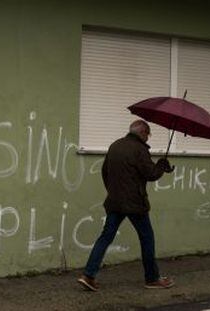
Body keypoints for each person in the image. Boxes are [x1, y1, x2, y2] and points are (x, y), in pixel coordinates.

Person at [77, 119, 175, 291]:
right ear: (143, 132)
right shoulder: (139, 149)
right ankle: (152, 279)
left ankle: (88, 275)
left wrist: (113, 192)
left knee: (105, 237)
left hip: (115, 201)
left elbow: (105, 172)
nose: (148, 138)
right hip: (135, 203)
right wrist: (161, 165)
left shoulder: (115, 145)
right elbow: (151, 174)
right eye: (148, 135)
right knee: (147, 238)